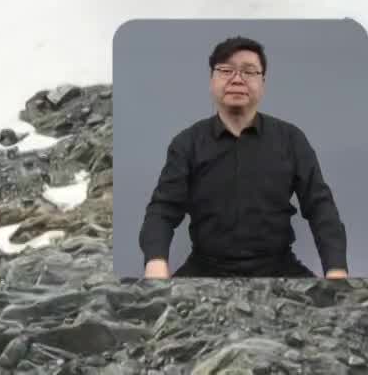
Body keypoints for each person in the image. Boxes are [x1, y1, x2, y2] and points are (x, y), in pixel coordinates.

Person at [138, 35, 349, 279]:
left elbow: (321, 207)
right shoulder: (187, 143)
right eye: (226, 70)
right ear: (211, 80)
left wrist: (336, 267)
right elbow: (162, 210)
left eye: (249, 72)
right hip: (204, 270)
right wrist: (155, 261)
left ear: (263, 82)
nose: (237, 79)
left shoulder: (291, 139)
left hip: (279, 268)